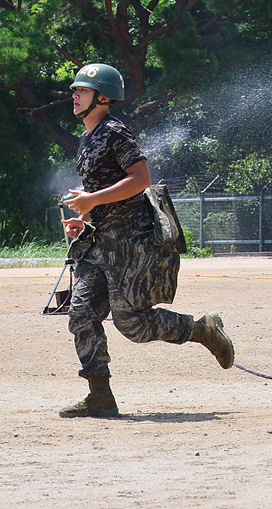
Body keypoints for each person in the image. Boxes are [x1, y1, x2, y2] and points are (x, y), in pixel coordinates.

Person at [59, 63, 235, 418]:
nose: (74, 94)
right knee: (80, 313)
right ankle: (100, 395)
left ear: (102, 97)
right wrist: (84, 216)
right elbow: (105, 193)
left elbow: (140, 179)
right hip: (100, 243)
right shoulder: (87, 139)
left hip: (130, 243)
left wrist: (91, 200)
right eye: (75, 90)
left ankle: (203, 330)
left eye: (82, 90)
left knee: (133, 325)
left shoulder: (114, 133)